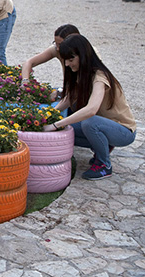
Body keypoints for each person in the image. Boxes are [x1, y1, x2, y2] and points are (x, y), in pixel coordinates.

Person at [42, 34, 136, 181]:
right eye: (65, 60)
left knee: (88, 123)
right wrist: (48, 115)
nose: (66, 64)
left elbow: (91, 109)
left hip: (124, 131)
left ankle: (104, 165)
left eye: (71, 59)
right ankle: (103, 145)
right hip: (104, 125)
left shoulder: (100, 76)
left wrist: (55, 124)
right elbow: (69, 99)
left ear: (82, 55)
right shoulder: (82, 74)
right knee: (66, 130)